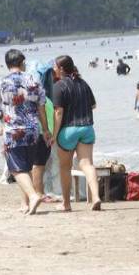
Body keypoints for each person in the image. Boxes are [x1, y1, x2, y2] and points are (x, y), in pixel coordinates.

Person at [0, 48, 51, 215]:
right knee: (26, 166)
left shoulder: (0, 84)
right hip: (33, 130)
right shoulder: (34, 81)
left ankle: (33, 196)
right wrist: (46, 130)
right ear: (21, 63)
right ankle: (25, 204)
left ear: (7, 65)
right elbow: (41, 107)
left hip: (13, 130)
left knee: (16, 169)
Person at [52, 55, 101, 210]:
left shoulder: (59, 86)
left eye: (55, 66)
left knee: (65, 167)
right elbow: (93, 106)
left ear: (61, 69)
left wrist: (54, 135)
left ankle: (66, 204)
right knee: (87, 164)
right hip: (87, 128)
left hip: (68, 130)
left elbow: (59, 112)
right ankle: (96, 197)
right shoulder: (84, 84)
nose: (54, 69)